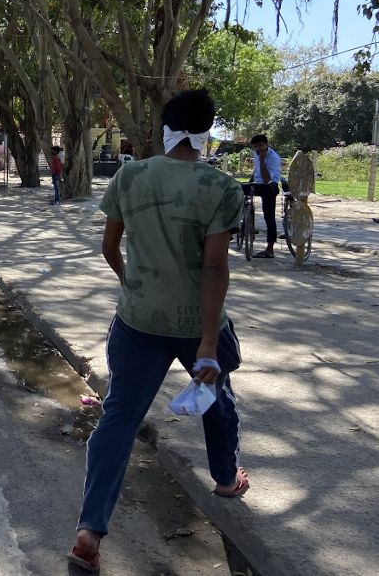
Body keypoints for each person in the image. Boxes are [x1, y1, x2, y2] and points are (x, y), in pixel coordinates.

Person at [70, 90, 247, 573]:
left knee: (118, 418)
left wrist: (133, 283)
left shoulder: (129, 175)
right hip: (198, 326)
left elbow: (110, 246)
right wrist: (209, 345)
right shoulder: (221, 188)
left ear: (165, 127)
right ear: (207, 129)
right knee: (216, 398)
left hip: (137, 321)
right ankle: (227, 478)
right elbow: (215, 268)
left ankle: (90, 528)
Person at [245, 134, 282, 258]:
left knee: (269, 216)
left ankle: (270, 249)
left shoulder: (273, 157)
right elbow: (257, 172)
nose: (258, 149)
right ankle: (239, 224)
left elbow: (267, 179)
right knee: (235, 189)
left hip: (270, 186)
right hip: (258, 184)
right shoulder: (256, 154)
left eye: (260, 146)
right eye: (255, 147)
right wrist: (249, 182)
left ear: (266, 144)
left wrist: (262, 160)